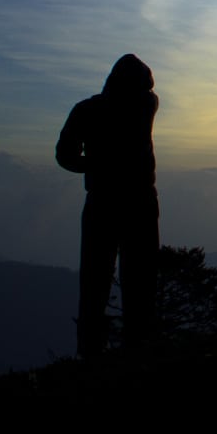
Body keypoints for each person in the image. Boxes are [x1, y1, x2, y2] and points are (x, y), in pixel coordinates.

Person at [56, 54, 160, 357]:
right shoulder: (146, 105)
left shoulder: (86, 111)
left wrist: (93, 166)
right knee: (141, 278)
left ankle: (90, 351)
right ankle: (138, 347)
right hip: (141, 200)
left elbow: (65, 155)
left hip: (102, 201)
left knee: (94, 281)